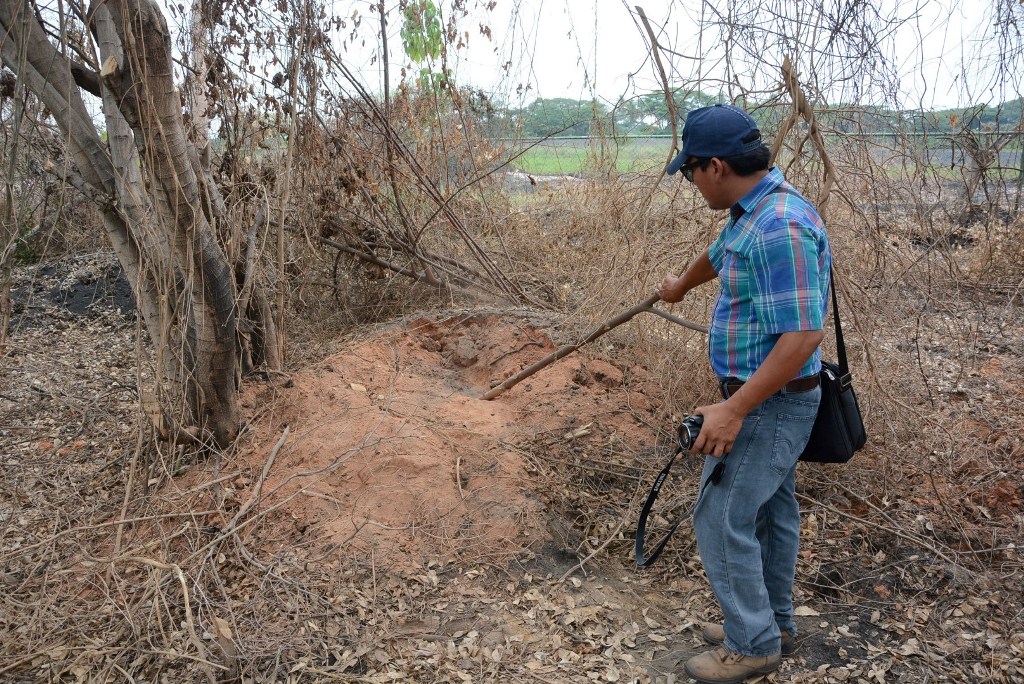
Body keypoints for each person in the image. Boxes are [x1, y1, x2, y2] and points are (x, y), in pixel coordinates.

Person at [657, 104, 831, 684]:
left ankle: (753, 644)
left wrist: (733, 409)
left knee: (720, 516)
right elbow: (722, 253)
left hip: (768, 405)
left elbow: (804, 334)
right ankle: (771, 621)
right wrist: (681, 283)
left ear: (715, 166)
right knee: (771, 512)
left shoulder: (781, 225)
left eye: (690, 172)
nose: (689, 182)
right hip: (765, 402)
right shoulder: (751, 215)